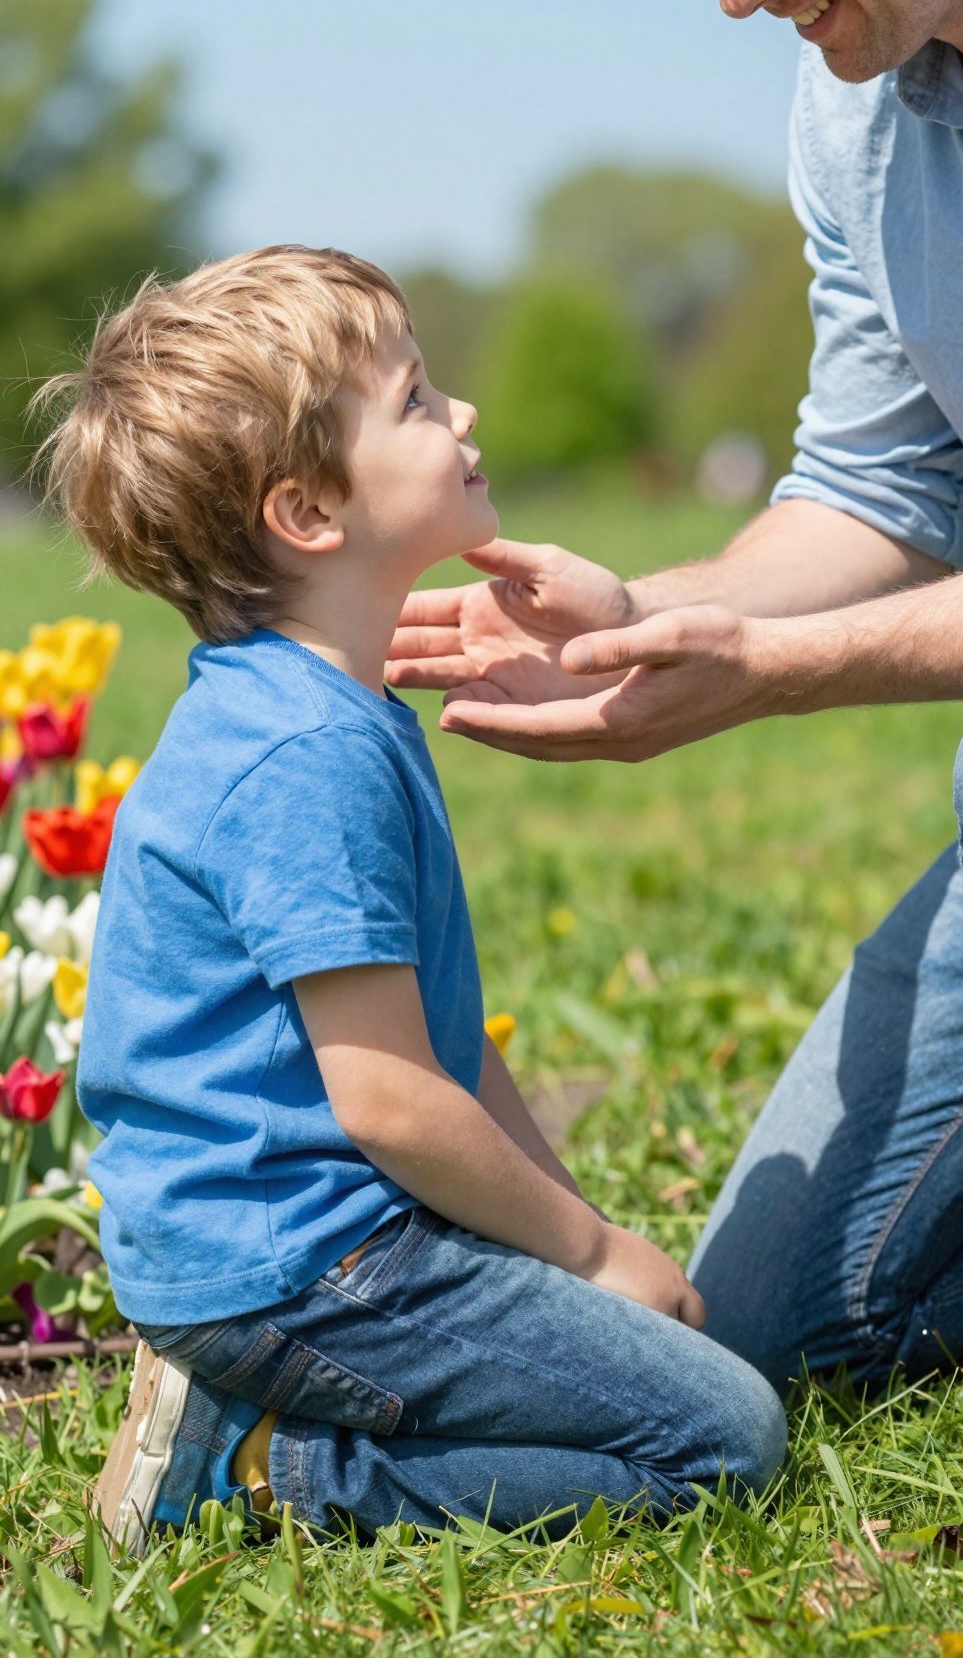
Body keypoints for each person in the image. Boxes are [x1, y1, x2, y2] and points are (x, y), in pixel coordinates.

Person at [386, 0, 963, 1528]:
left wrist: (780, 675)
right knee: (763, 1322)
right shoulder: (861, 91)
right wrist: (647, 615)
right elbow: (877, 493)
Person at [34, 245, 784, 1555]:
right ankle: (267, 1470)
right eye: (420, 402)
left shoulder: (325, 709)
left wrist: (582, 1245)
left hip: (287, 1245)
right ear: (310, 514)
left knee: (671, 1376)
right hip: (301, 1271)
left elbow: (434, 1054)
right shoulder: (306, 757)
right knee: (721, 1436)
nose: (466, 416)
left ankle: (260, 1416)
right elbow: (389, 1100)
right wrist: (599, 1259)